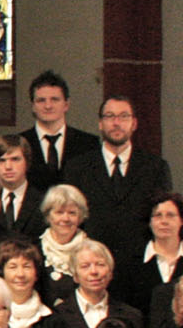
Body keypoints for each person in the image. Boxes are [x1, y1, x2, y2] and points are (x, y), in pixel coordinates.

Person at [62, 96, 173, 268]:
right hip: (92, 263)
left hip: (141, 263)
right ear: (100, 123)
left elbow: (162, 216)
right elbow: (71, 217)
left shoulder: (155, 167)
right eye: (109, 116)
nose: (116, 122)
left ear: (134, 123)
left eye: (123, 116)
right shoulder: (77, 167)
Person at [20, 69, 98, 191]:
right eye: (41, 100)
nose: (48, 106)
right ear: (33, 106)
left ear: (66, 104)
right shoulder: (19, 143)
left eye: (55, 99)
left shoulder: (88, 144)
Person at [36, 184, 90, 283]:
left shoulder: (91, 250)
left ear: (81, 217)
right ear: (48, 216)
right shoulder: (36, 249)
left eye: (72, 213)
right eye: (59, 212)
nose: (65, 219)